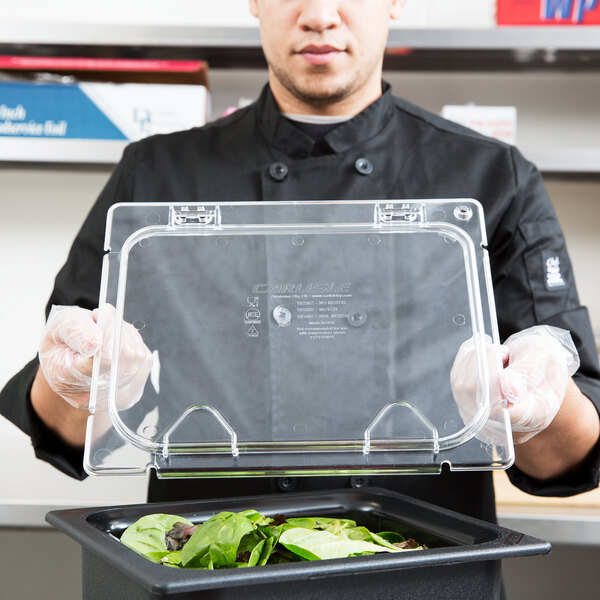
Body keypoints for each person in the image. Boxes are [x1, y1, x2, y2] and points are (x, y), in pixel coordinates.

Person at [1, 0, 599, 530]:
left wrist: (534, 402)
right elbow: (68, 432)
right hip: (206, 564)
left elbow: (567, 457)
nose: (319, 14)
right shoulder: (155, 175)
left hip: (424, 570)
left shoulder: (493, 177)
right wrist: (82, 380)